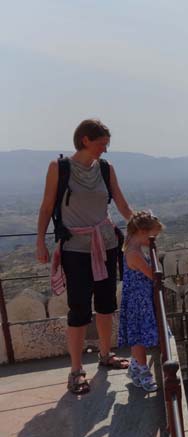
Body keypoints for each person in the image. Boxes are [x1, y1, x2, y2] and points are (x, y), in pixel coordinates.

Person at [36, 119, 133, 395]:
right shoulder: (60, 168)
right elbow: (45, 208)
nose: (105, 148)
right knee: (78, 309)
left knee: (105, 304)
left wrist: (143, 227)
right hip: (76, 249)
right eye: (102, 143)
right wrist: (40, 242)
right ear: (86, 140)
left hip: (107, 243)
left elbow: (122, 205)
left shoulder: (105, 169)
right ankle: (76, 371)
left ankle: (105, 355)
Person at [118, 211, 164, 392]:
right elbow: (152, 275)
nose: (154, 240)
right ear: (142, 232)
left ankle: (136, 367)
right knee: (139, 338)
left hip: (137, 299)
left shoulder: (130, 242)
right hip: (139, 301)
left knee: (138, 335)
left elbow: (132, 228)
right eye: (153, 235)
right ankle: (144, 371)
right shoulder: (135, 254)